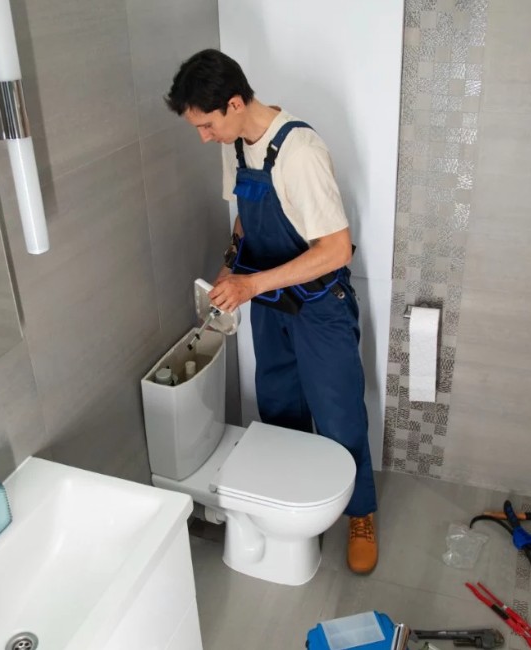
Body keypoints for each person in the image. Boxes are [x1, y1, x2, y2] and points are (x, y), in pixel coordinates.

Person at [165, 49, 378, 575]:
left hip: (320, 308)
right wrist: (228, 268)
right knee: (279, 407)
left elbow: (336, 250)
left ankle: (361, 514)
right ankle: (295, 500)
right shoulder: (235, 143)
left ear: (236, 103)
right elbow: (246, 219)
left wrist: (251, 283)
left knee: (338, 414)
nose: (204, 137)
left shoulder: (299, 151)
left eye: (207, 124)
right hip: (270, 306)